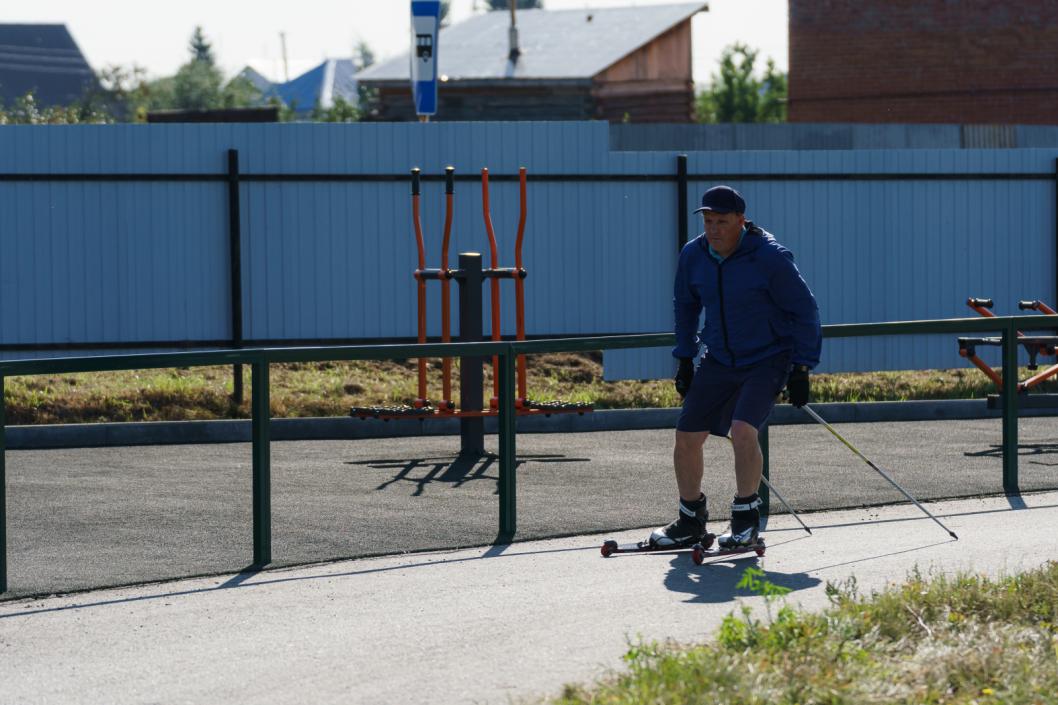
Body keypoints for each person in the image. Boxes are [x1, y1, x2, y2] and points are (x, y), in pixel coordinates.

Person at [650, 185, 821, 550]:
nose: (713, 230)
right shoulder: (694, 254)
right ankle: (690, 520)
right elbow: (685, 305)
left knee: (742, 431)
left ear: (741, 221)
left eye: (722, 222)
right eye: (708, 221)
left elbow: (805, 310)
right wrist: (684, 358)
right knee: (686, 437)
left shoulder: (770, 258)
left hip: (767, 357)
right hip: (720, 358)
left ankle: (746, 520)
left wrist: (802, 367)